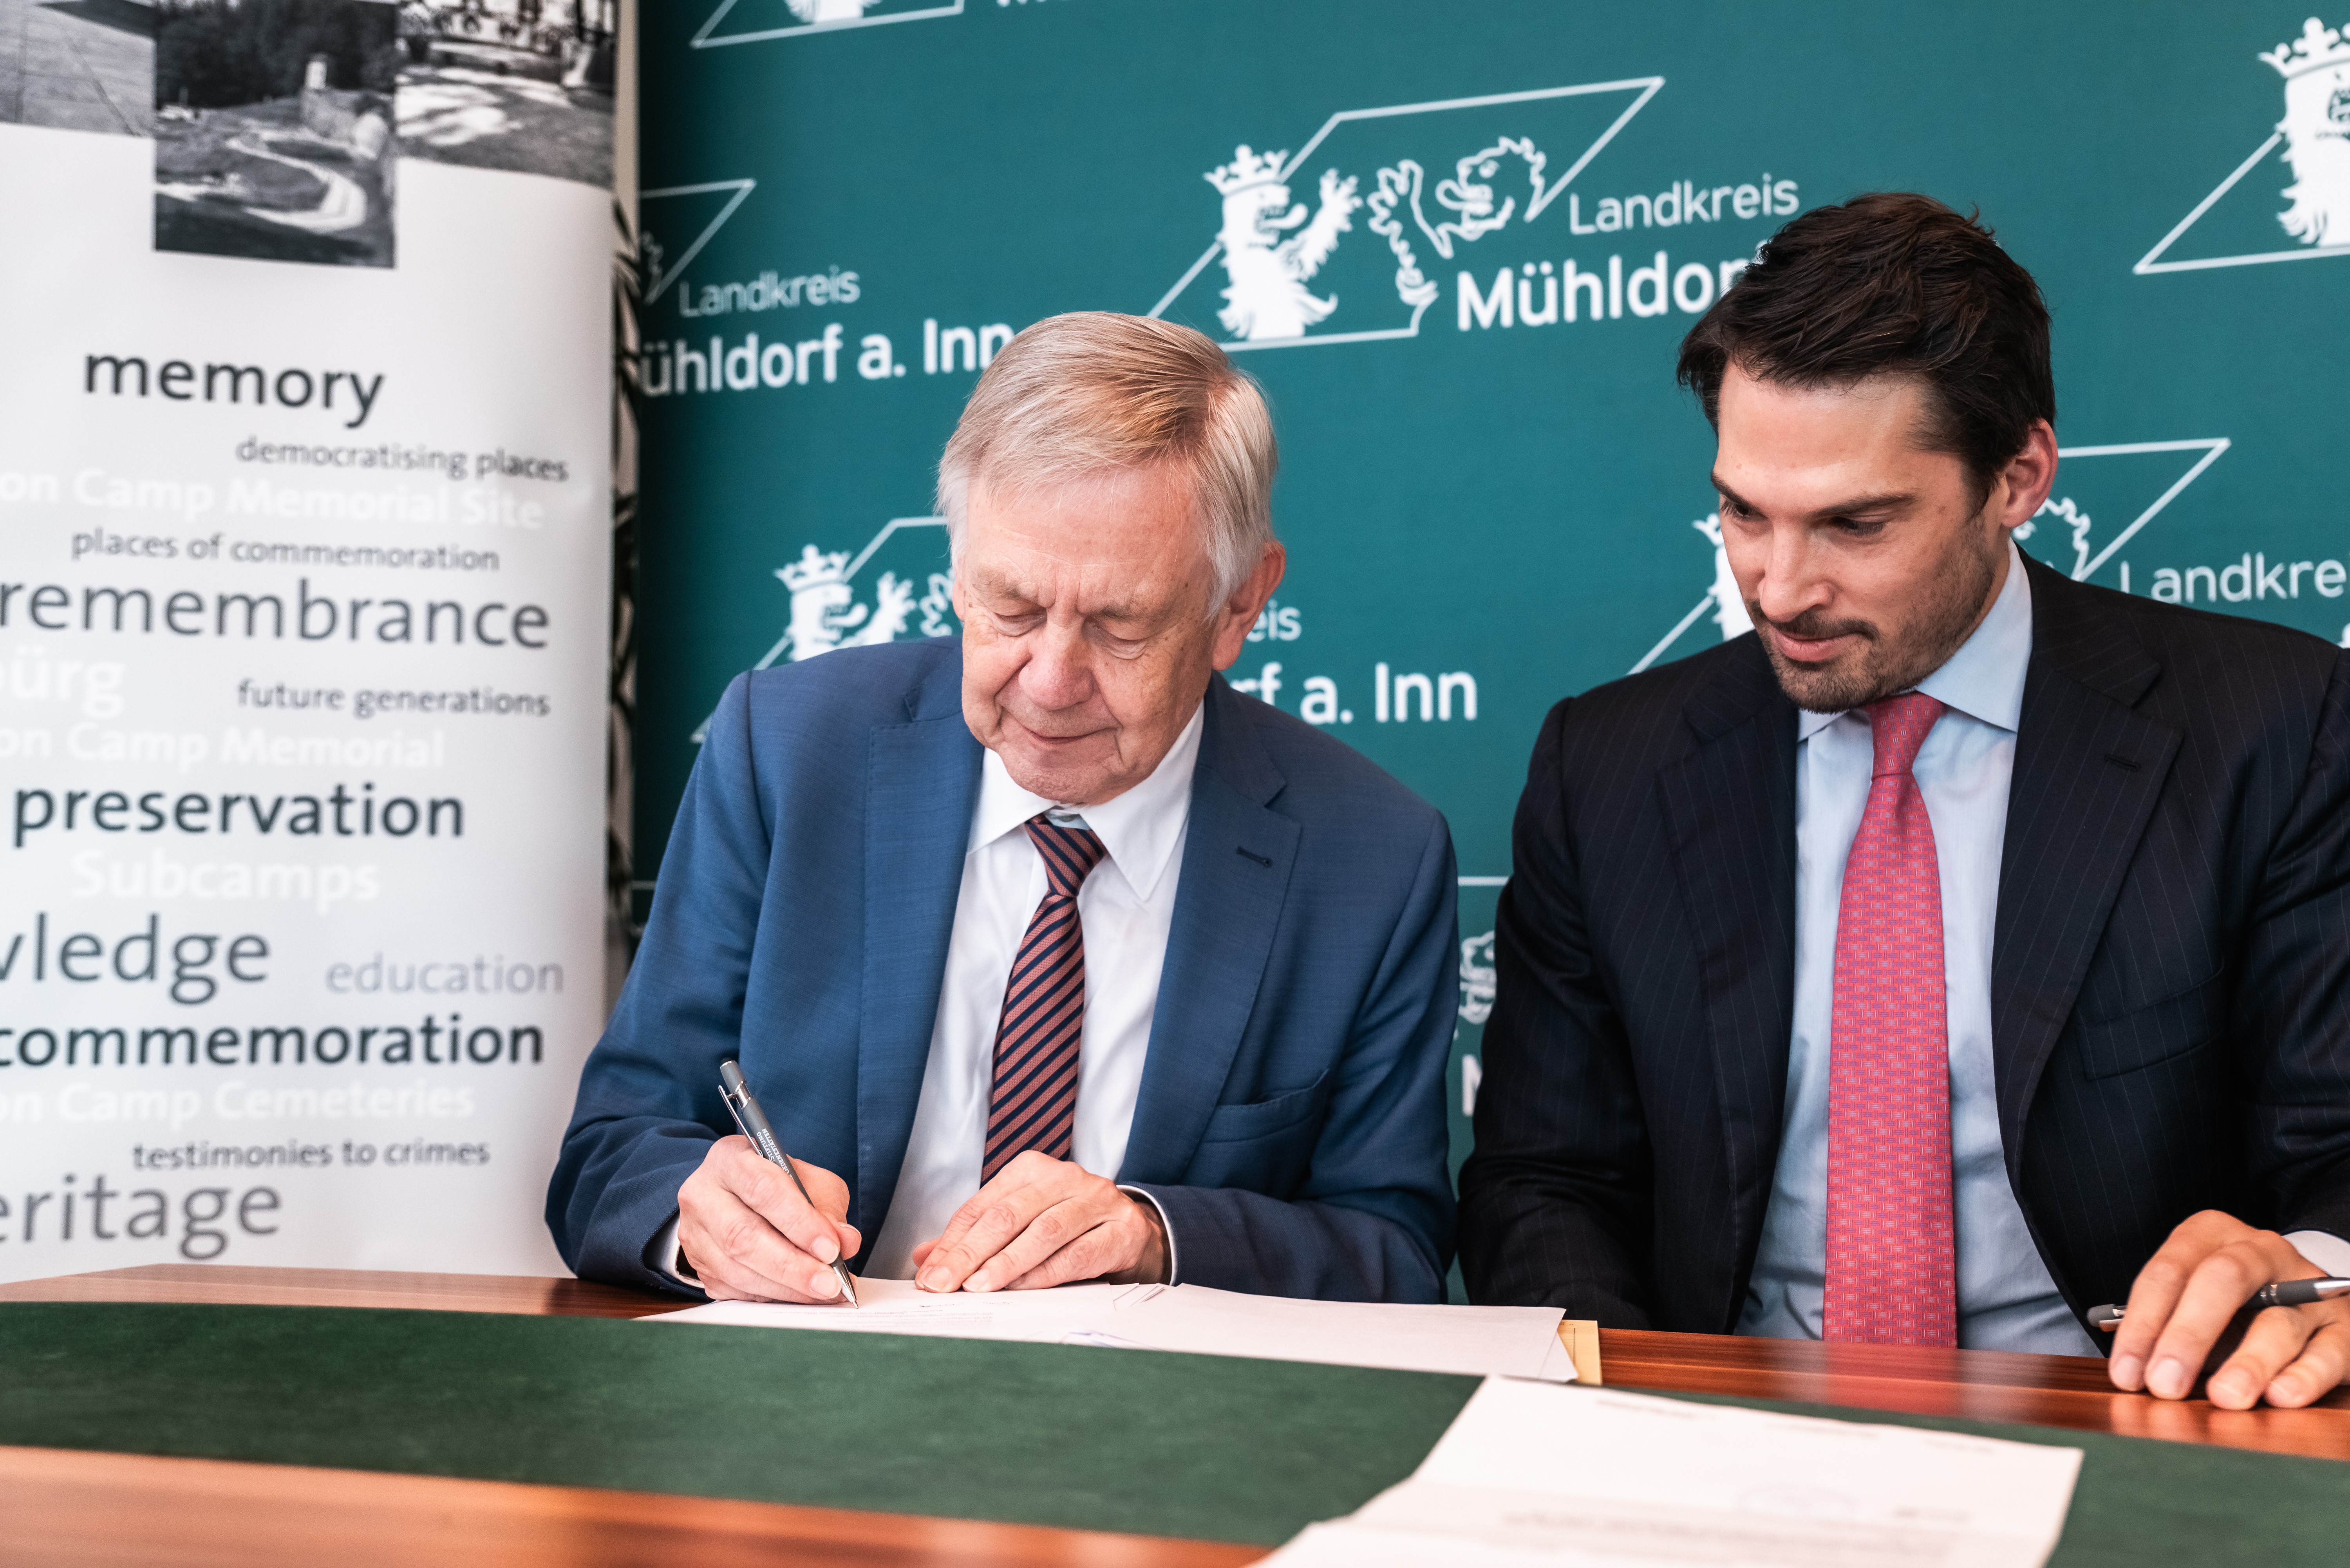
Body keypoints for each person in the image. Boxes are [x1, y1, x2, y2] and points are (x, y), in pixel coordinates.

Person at [1458, 194, 2350, 1410]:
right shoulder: (1605, 764)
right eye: (1743, 511)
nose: (1781, 588)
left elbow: (2337, 1150)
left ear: (2019, 477)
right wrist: (1638, 1419)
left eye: (1855, 524)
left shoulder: (2273, 727)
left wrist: (2317, 1274)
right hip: (1715, 1439)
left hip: (2133, 1428)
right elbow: (1546, 1180)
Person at [550, 311, 1458, 1306]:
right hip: (809, 1381)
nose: (1050, 681)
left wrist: (1154, 1235)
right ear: (956, 571)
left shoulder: (1374, 856)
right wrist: (699, 1219)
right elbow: (612, 1153)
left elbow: (1394, 1251)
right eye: (1011, 608)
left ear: (1239, 603)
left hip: (1161, 1399)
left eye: (1120, 625)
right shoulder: (787, 751)